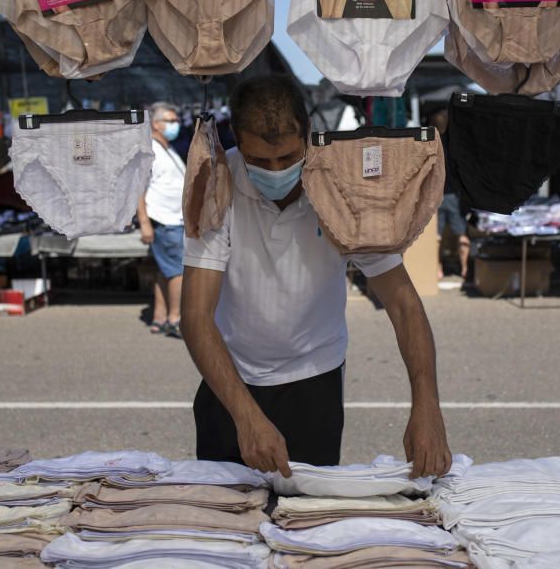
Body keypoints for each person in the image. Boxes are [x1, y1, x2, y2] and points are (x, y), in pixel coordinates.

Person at [181, 75, 452, 478]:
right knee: (225, 525)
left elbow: (403, 303)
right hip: (230, 382)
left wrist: (427, 405)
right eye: (259, 161)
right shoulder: (217, 182)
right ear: (236, 138)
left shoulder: (345, 185)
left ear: (309, 133)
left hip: (315, 384)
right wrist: (246, 416)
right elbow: (195, 317)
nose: (275, 172)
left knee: (306, 524)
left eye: (288, 158)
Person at [138, 102, 186, 339]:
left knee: (164, 271)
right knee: (178, 271)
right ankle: (176, 320)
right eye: (171, 120)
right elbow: (138, 189)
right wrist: (144, 221)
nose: (176, 124)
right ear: (155, 124)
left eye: (176, 120)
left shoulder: (167, 148)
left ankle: (160, 317)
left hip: (174, 218)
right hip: (165, 220)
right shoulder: (149, 151)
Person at [430, 109, 472, 282]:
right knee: (461, 234)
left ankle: (438, 269)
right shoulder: (458, 145)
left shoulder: (432, 145)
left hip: (436, 195)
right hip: (455, 195)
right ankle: (465, 268)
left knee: (437, 236)